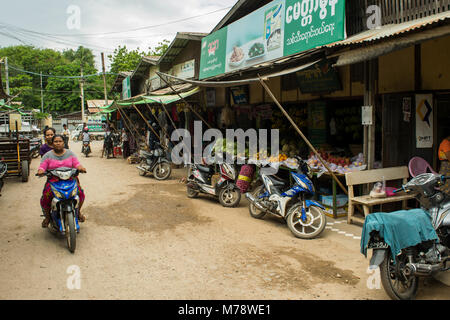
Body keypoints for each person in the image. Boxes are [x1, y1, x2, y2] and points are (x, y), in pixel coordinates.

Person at [37, 134, 87, 228]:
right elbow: (42, 166)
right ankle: (47, 217)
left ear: (64, 143)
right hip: (53, 180)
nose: (58, 143)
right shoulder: (47, 155)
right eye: (56, 141)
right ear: (52, 143)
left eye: (60, 141)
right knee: (46, 197)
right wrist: (41, 171)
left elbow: (77, 164)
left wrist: (81, 168)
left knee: (80, 193)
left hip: (70, 179)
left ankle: (78, 212)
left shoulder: (70, 153)